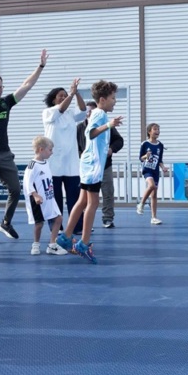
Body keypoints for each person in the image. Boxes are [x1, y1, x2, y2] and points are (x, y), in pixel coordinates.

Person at [0, 33, 48, 243]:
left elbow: (27, 85)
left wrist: (40, 67)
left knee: (15, 189)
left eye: (0, 86)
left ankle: (5, 222)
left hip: (4, 154)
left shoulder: (6, 103)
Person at [55, 80, 123, 263]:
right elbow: (91, 133)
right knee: (92, 203)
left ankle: (65, 236)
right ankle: (83, 244)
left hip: (89, 163)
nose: (115, 101)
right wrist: (110, 125)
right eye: (113, 98)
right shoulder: (100, 114)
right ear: (102, 99)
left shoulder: (98, 113)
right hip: (93, 165)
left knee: (82, 200)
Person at [42, 79, 88, 235]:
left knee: (74, 197)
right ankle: (57, 227)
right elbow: (61, 108)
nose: (63, 98)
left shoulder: (70, 113)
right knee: (55, 198)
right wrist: (71, 94)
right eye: (60, 96)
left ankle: (76, 226)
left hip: (71, 162)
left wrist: (77, 93)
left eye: (65, 95)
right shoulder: (49, 112)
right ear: (54, 99)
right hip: (53, 162)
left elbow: (82, 110)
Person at [77, 100, 124, 229]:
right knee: (85, 200)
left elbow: (119, 140)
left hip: (104, 165)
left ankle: (107, 218)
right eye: (87, 112)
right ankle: (81, 227)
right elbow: (89, 135)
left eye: (92, 111)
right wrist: (80, 153)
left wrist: (111, 149)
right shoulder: (80, 127)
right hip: (89, 166)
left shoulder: (104, 122)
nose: (90, 113)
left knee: (106, 193)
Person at [23, 136, 67, 256]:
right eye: (50, 150)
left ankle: (52, 245)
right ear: (41, 149)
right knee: (39, 223)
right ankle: (36, 244)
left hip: (49, 197)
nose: (51, 152)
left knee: (58, 218)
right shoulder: (32, 165)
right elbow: (27, 182)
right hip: (38, 200)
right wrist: (35, 195)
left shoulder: (46, 163)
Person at [136, 123, 170, 225]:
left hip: (155, 171)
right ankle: (141, 204)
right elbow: (140, 158)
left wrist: (163, 167)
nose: (157, 131)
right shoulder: (145, 144)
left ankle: (154, 217)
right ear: (149, 131)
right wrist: (146, 156)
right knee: (151, 185)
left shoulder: (160, 145)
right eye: (155, 129)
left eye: (158, 129)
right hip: (147, 169)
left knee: (154, 194)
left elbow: (160, 160)